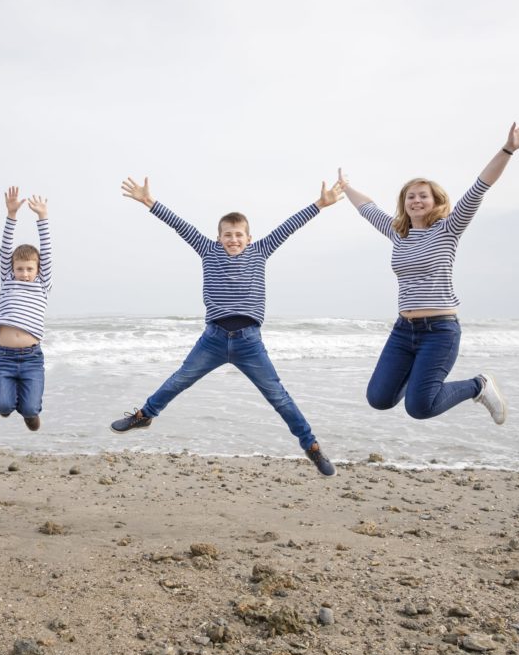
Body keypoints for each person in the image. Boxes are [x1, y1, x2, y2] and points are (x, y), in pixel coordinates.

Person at [110, 176, 345, 476]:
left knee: (279, 398)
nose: (233, 239)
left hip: (249, 343)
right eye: (227, 235)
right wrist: (149, 202)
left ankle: (311, 447)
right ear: (218, 237)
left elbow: (289, 226)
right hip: (214, 340)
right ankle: (144, 416)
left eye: (239, 235)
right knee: (179, 380)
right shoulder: (208, 251)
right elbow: (181, 226)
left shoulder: (260, 251)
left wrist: (319, 205)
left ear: (249, 237)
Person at [340, 122, 519, 425]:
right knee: (379, 399)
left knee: (420, 408)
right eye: (410, 197)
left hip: (440, 332)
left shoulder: (448, 229)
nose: (416, 200)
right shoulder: (398, 233)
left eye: (423, 196)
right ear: (404, 205)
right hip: (404, 331)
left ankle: (478, 386)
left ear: (436, 201)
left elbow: (480, 186)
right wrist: (345, 187)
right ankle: (420, 382)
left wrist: (508, 149)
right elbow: (367, 208)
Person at [0, 187, 53, 431]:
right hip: (4, 357)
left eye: (29, 269)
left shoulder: (42, 284)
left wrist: (42, 217)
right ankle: (6, 403)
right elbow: (5, 248)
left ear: (37, 270)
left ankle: (29, 411)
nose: (24, 273)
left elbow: (46, 252)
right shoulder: (8, 280)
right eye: (20, 269)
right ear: (12, 268)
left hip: (31, 358)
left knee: (29, 408)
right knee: (3, 406)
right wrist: (11, 215)